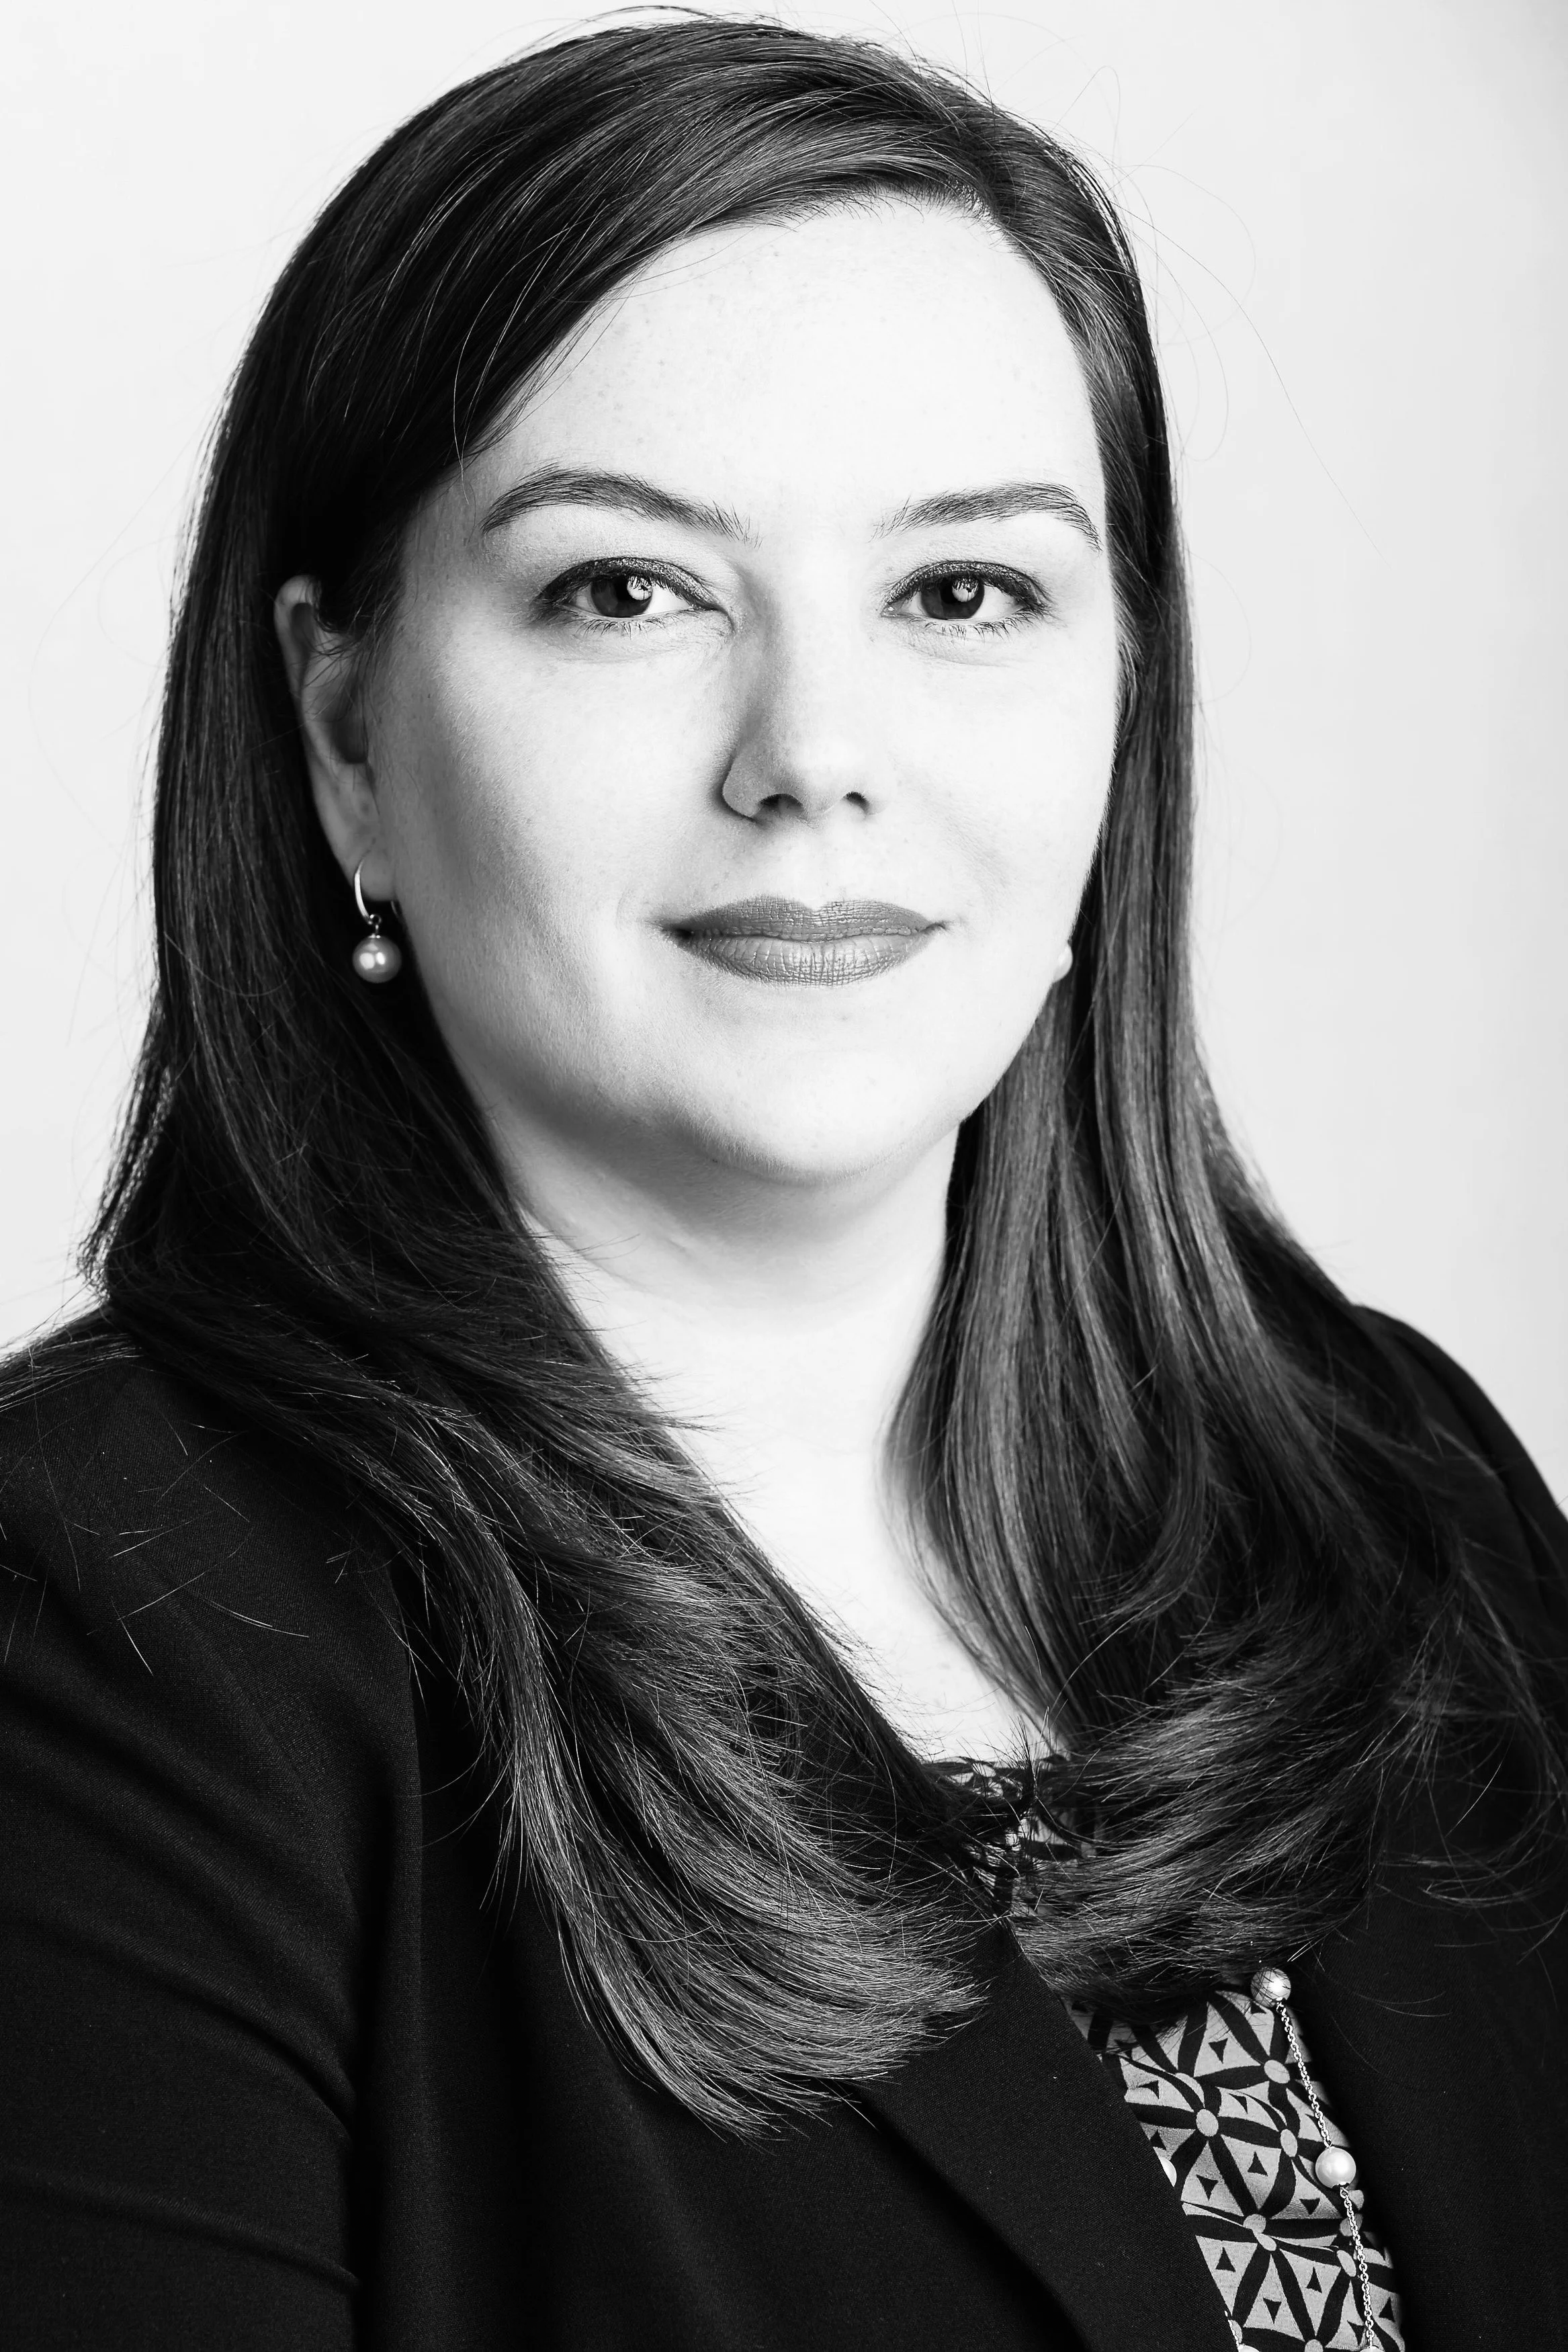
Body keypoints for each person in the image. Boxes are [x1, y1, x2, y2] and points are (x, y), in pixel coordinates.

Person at [1, 17, 1564, 2349]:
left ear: (1126, 684)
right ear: (340, 721)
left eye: (962, 594)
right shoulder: (99, 1631)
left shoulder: (1391, 1483)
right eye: (627, 591)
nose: (814, 757)